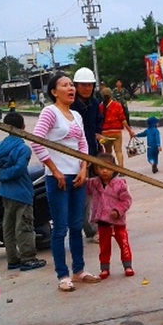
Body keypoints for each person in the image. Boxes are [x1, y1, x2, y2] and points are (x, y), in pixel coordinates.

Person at [31, 72, 99, 292]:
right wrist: (55, 170)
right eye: (65, 85)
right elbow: (36, 142)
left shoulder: (76, 115)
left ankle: (79, 270)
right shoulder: (50, 113)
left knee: (76, 225)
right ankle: (63, 275)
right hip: (57, 179)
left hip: (78, 177)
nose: (71, 88)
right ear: (54, 92)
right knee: (60, 228)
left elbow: (83, 144)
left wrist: (83, 168)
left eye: (71, 85)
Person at [0, 112, 46, 272]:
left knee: (9, 227)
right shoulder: (23, 148)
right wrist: (6, 175)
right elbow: (20, 169)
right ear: (23, 127)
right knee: (24, 226)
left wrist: (2, 174)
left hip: (5, 193)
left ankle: (12, 259)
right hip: (21, 192)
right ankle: (28, 258)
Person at [86, 154, 134, 279]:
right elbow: (84, 187)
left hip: (118, 222)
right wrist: (84, 167)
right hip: (103, 222)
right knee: (104, 246)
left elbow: (127, 201)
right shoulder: (93, 183)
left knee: (123, 244)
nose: (104, 171)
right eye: (101, 168)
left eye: (108, 167)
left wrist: (118, 211)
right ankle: (104, 268)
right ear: (96, 169)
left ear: (114, 168)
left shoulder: (120, 184)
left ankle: (128, 266)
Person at [70, 67, 102, 239]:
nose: (86, 88)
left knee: (96, 190)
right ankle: (90, 228)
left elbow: (98, 122)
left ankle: (96, 226)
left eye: (89, 85)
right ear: (76, 86)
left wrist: (99, 134)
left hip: (93, 152)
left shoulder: (95, 104)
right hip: (75, 156)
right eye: (83, 85)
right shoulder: (70, 105)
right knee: (83, 195)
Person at [99, 89, 135, 167]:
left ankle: (110, 168)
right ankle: (121, 167)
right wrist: (130, 131)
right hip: (116, 132)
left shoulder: (100, 106)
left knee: (108, 152)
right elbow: (123, 120)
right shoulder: (117, 105)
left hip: (105, 133)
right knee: (118, 151)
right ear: (111, 95)